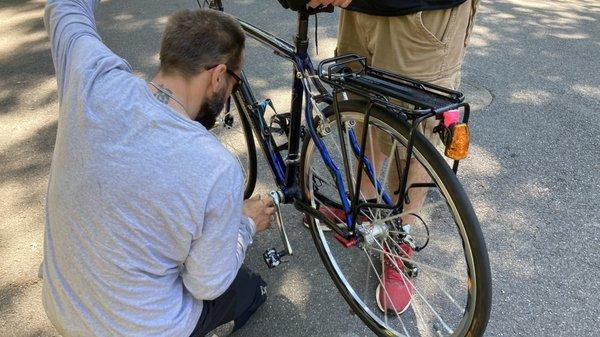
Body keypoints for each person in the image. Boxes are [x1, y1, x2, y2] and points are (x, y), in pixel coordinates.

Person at [42, 1, 274, 336]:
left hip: (63, 307)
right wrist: (245, 225)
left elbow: (64, 6)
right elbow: (206, 285)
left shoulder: (92, 76)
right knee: (243, 286)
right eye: (234, 83)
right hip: (144, 330)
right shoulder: (217, 168)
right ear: (218, 75)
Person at [306, 0, 480, 315]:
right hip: (360, 12)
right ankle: (364, 209)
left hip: (422, 14)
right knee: (362, 109)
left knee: (415, 132)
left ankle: (402, 237)